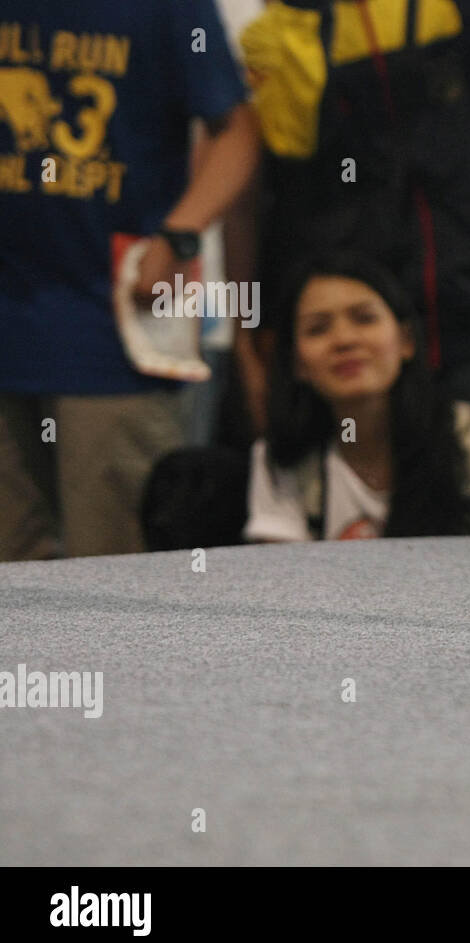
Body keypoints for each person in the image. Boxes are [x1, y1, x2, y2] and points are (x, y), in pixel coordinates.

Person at [238, 0, 470, 484]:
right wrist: (303, 15)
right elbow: (292, 141)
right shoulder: (281, 24)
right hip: (362, 335)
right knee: (369, 525)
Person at [0, 0, 260, 560]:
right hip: (10, 321)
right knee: (12, 574)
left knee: (118, 571)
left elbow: (236, 131)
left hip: (115, 329)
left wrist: (180, 235)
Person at [245, 254, 470, 542]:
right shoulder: (281, 459)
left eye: (364, 318)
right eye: (318, 328)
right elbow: (282, 589)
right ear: (297, 363)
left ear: (406, 341)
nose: (344, 340)